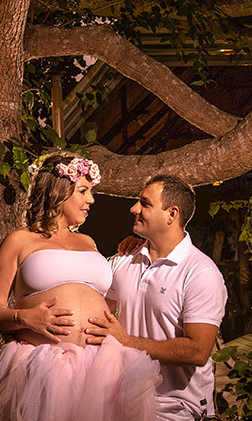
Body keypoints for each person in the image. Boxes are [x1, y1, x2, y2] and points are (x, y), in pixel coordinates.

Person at [0, 154, 160, 421]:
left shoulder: (89, 242)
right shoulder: (19, 241)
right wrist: (24, 318)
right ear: (58, 191)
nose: (91, 200)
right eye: (83, 191)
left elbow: (102, 296)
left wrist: (134, 247)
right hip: (44, 367)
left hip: (101, 366)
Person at [86, 174, 228, 421]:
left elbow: (197, 351)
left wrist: (126, 341)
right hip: (122, 398)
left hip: (176, 409)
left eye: (145, 203)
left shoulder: (200, 272)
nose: (134, 209)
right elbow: (96, 312)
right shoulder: (124, 258)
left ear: (171, 214)